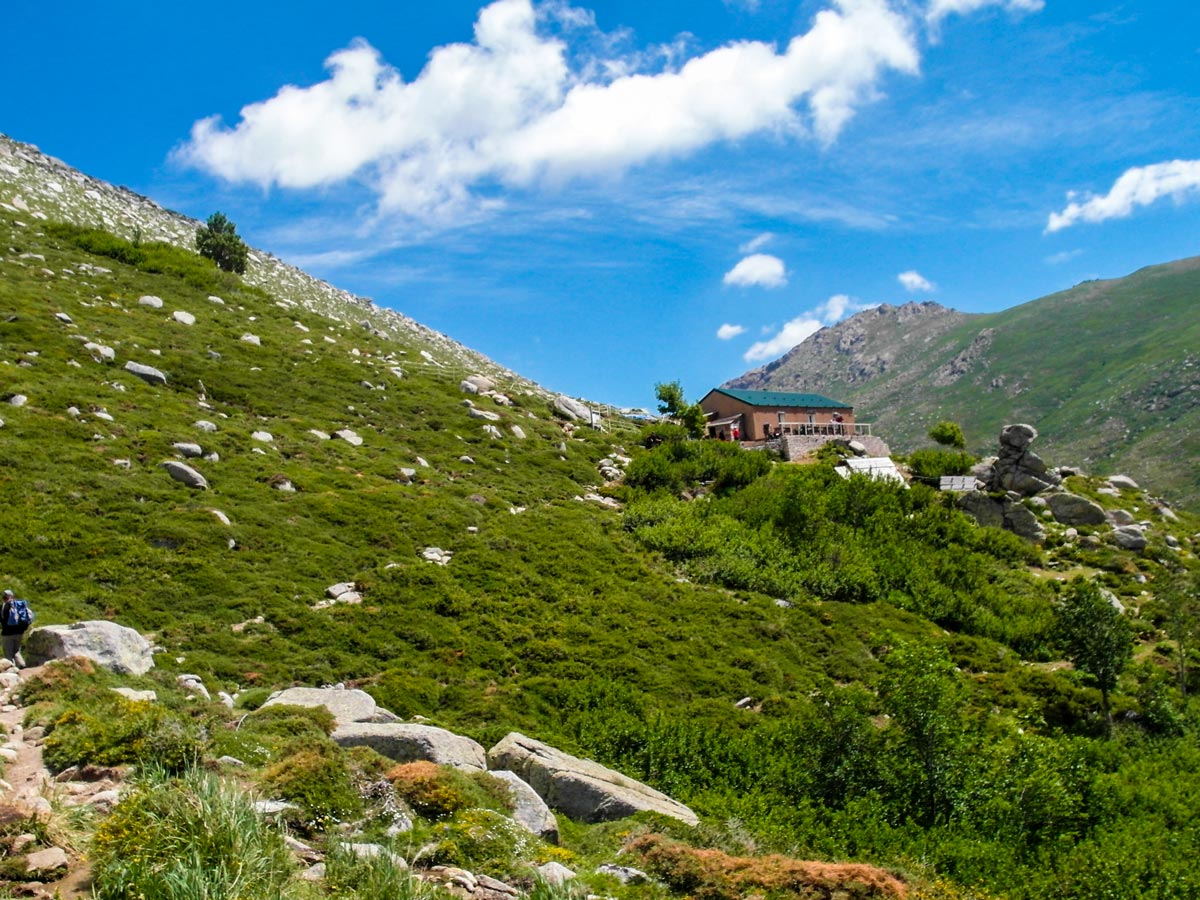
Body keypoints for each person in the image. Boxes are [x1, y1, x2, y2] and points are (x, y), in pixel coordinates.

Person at [1, 588, 33, 667]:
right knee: (16, 651)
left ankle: (11, 670)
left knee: (8, 652)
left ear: (3, 597)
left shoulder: (3, 606)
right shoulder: (19, 605)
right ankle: (22, 665)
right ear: (12, 596)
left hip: (7, 633)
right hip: (20, 632)